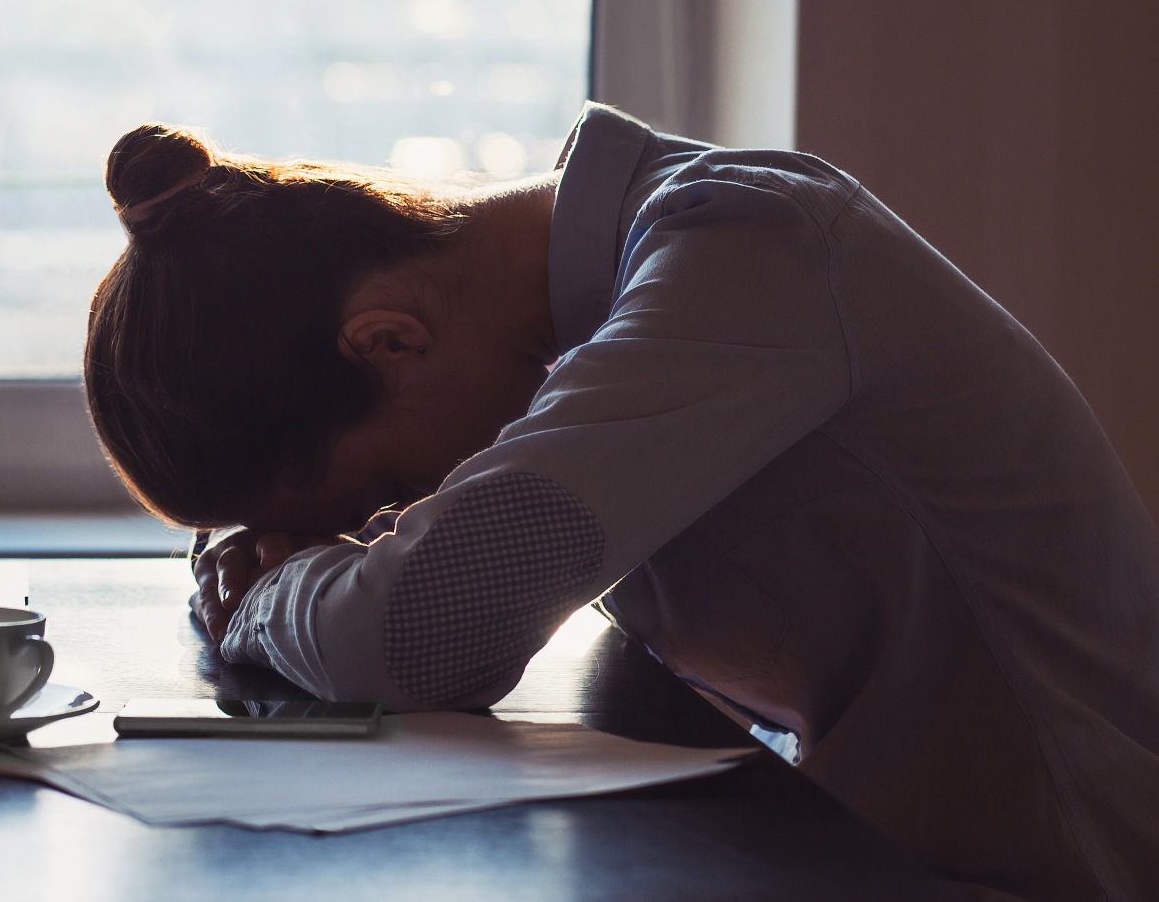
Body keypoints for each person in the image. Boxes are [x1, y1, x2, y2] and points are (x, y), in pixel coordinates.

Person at [82, 104, 1159, 901]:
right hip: (874, 844)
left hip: (1053, 868)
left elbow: (417, 631)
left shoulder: (746, 251)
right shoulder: (625, 301)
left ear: (388, 340)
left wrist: (269, 592)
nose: (398, 522)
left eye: (384, 493)